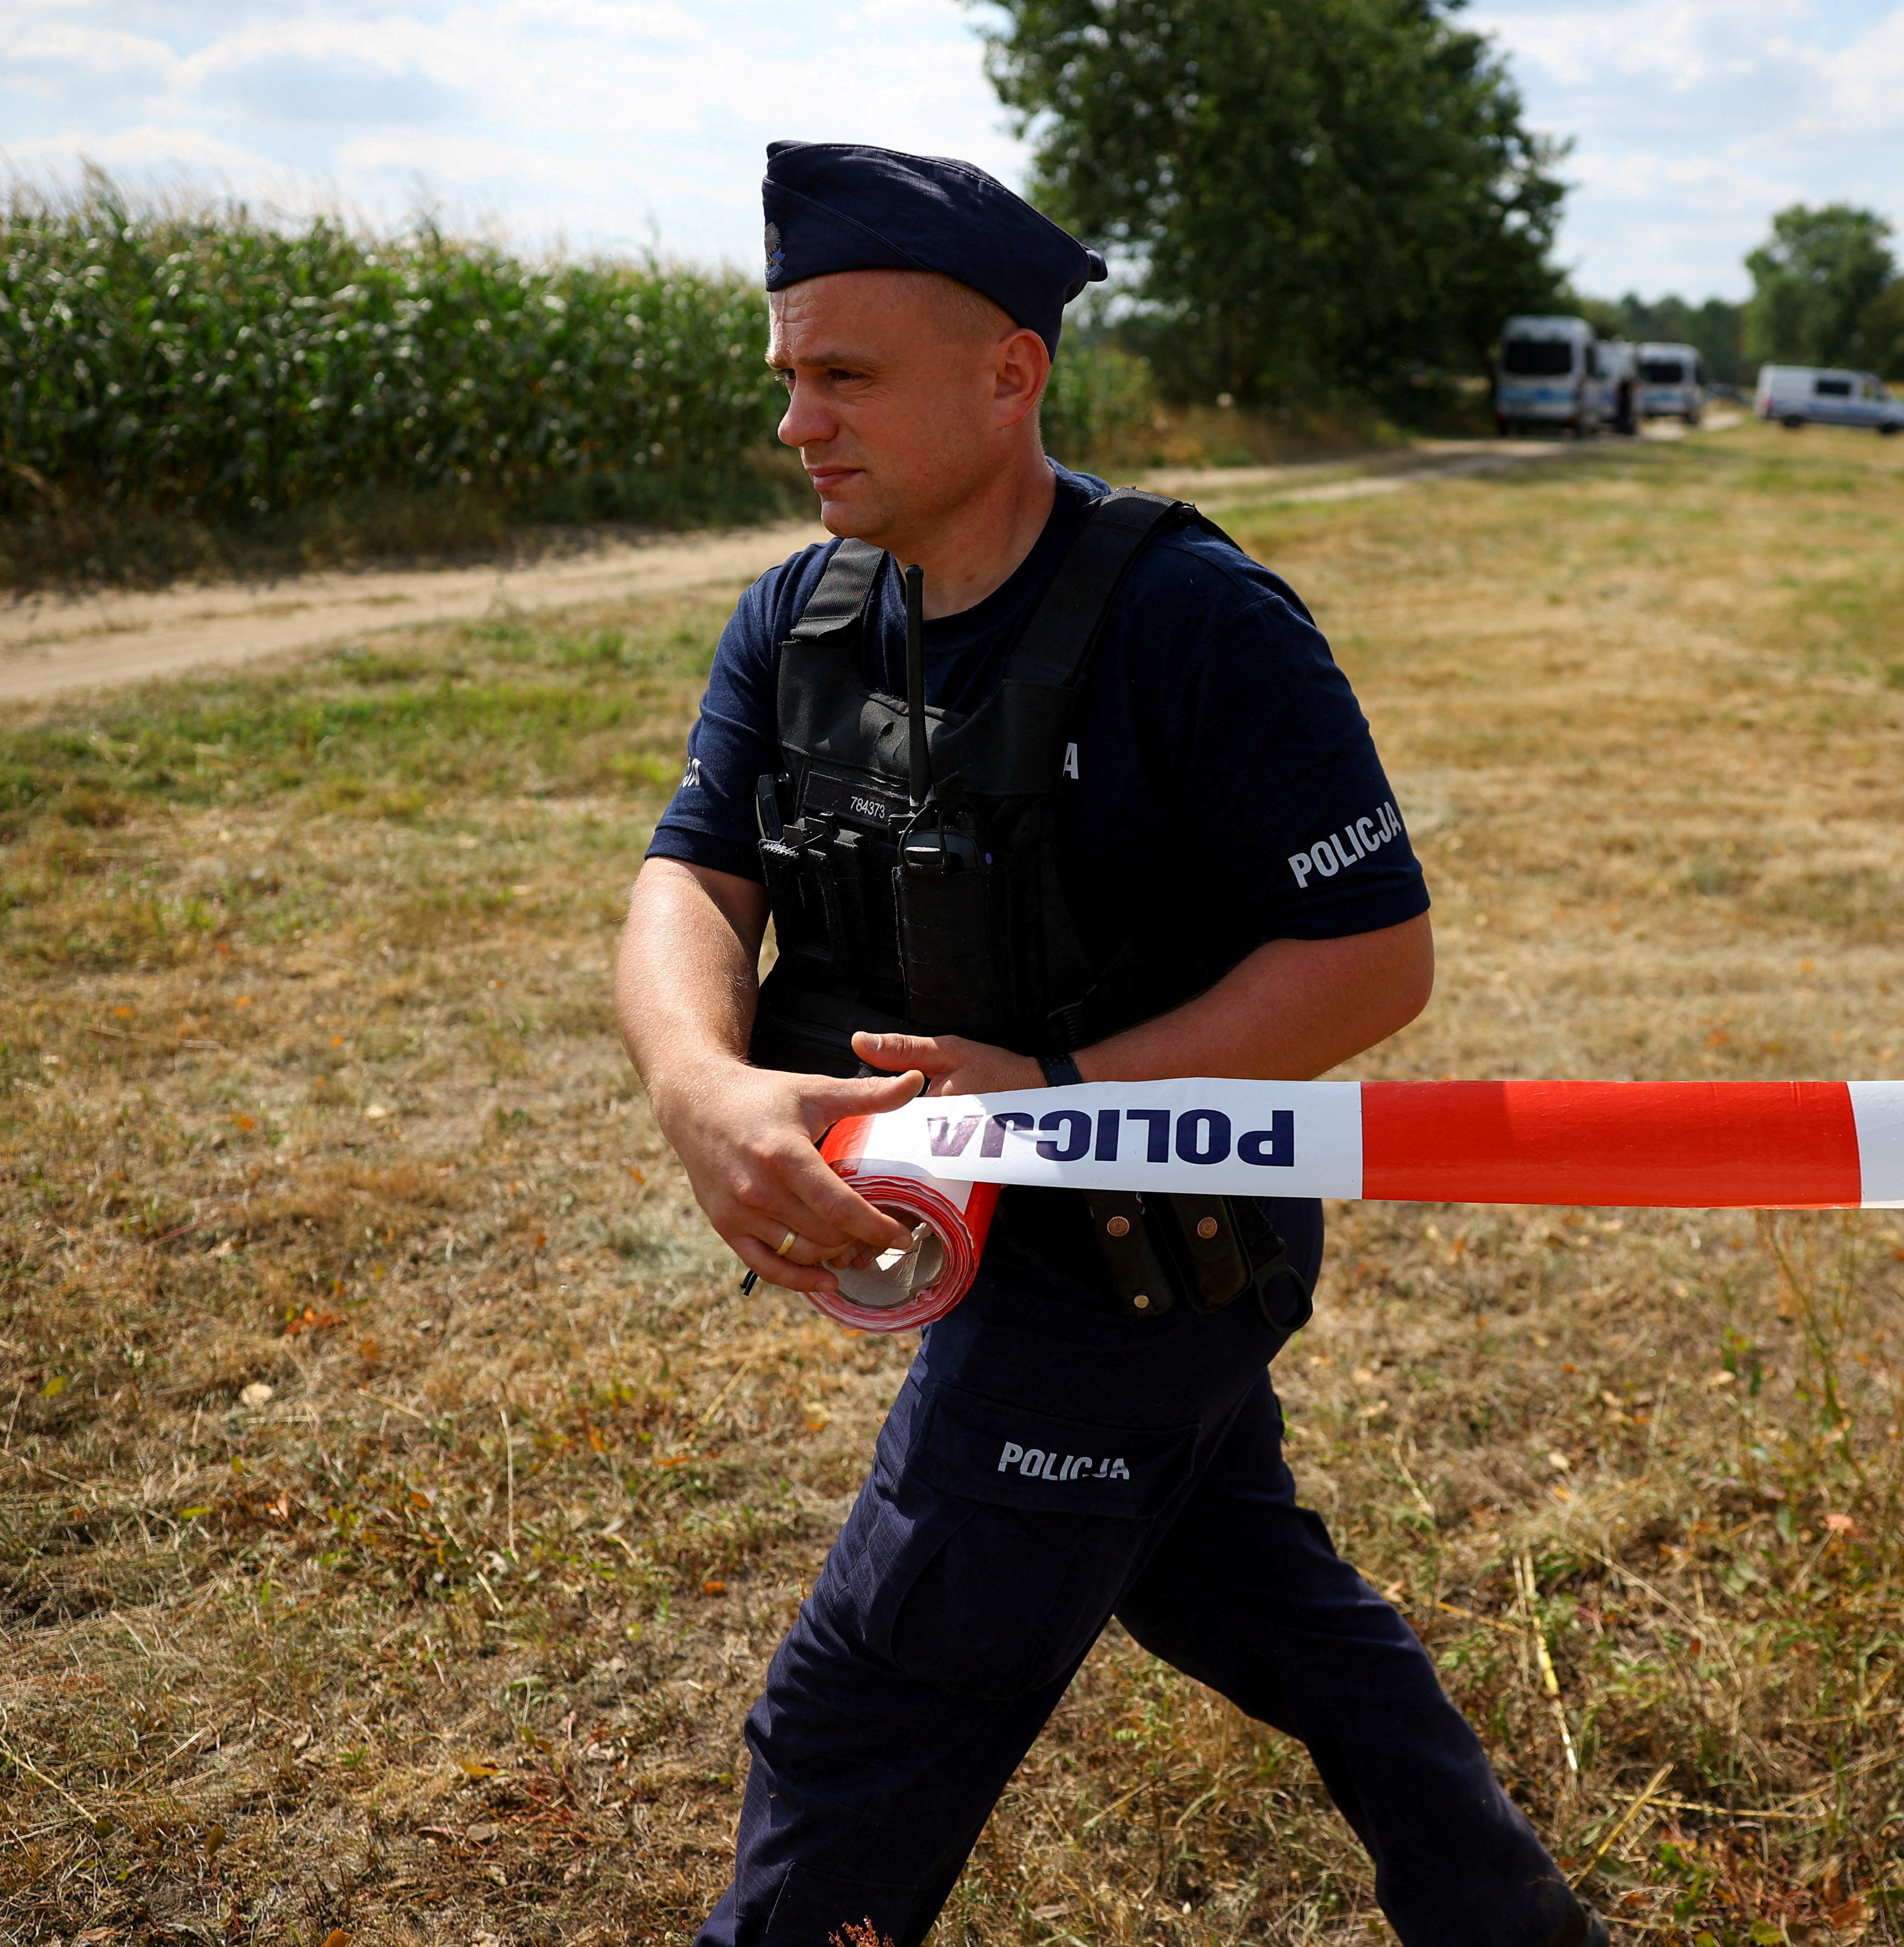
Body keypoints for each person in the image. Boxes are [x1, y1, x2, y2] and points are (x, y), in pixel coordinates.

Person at [616, 140, 1605, 1947]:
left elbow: (1374, 956)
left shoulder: (1189, 621)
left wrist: (1059, 1098)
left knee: (870, 1696)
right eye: (787, 377)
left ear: (1013, 373)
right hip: (991, 1255)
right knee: (1238, 1585)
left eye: (845, 378)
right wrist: (701, 1082)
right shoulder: (801, 613)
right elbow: (696, 869)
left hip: (1156, 1254)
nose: (797, 426)